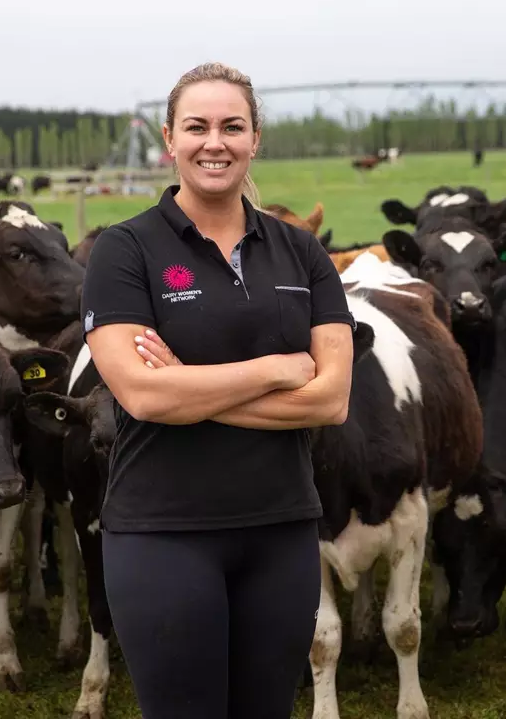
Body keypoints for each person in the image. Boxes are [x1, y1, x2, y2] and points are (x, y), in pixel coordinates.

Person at [81, 62, 356, 719]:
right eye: (197, 127)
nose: (215, 142)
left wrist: (189, 387)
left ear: (255, 138)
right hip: (162, 534)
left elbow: (332, 400)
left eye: (232, 126)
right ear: (170, 141)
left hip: (283, 531)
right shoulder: (124, 252)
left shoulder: (300, 252)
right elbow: (143, 398)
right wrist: (276, 370)